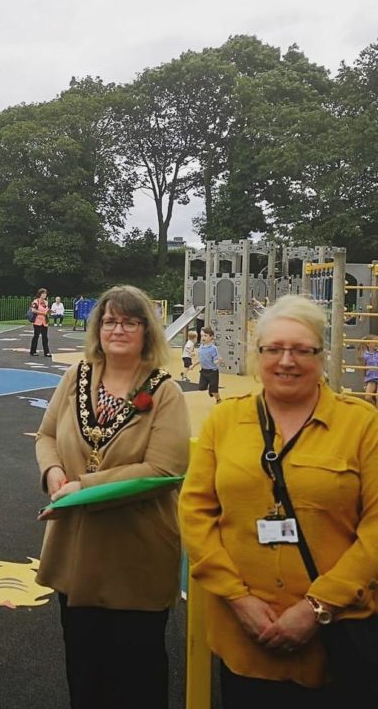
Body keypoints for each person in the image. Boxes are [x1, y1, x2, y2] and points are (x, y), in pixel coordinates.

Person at [178, 294, 378, 707]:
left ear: (321, 355)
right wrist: (237, 597)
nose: (287, 361)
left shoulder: (362, 425)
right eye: (274, 349)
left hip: (335, 637)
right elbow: (196, 512)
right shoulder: (225, 421)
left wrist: (317, 607)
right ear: (258, 355)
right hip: (244, 637)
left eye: (302, 350)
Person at [35, 284, 190, 709]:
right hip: (76, 554)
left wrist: (81, 488)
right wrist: (51, 470)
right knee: (84, 674)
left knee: (137, 679)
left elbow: (164, 470)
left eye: (129, 321)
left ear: (146, 331)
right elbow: (47, 434)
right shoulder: (75, 376)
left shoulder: (164, 393)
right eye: (109, 320)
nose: (117, 328)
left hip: (136, 555)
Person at [198, 326, 223, 403]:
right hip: (203, 371)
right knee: (201, 387)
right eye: (202, 335)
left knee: (214, 389)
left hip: (212, 372)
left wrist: (218, 361)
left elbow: (215, 360)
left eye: (205, 335)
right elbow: (201, 359)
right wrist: (193, 364)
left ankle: (218, 399)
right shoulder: (201, 347)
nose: (203, 337)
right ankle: (210, 390)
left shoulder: (213, 348)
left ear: (211, 337)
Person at [29, 288, 51, 357]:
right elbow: (33, 310)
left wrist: (49, 311)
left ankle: (46, 352)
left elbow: (46, 310)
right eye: (43, 293)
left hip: (44, 321)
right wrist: (42, 313)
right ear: (40, 294)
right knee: (36, 336)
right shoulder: (36, 301)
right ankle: (33, 351)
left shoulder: (46, 302)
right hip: (37, 321)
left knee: (45, 337)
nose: (45, 295)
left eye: (45, 293)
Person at [359, 333, 378, 405]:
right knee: (368, 397)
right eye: (375, 342)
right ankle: (374, 408)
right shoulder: (365, 355)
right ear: (368, 344)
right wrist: (365, 380)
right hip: (371, 377)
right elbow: (363, 368)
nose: (377, 343)